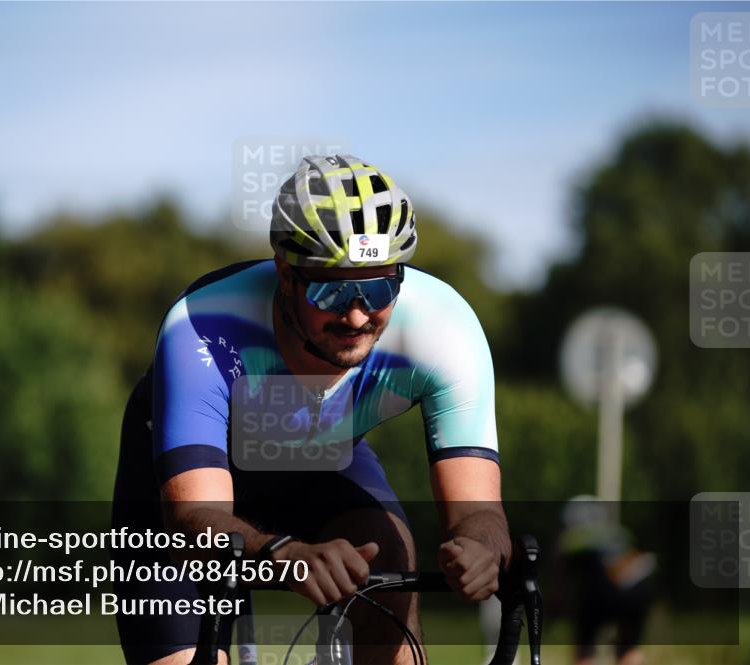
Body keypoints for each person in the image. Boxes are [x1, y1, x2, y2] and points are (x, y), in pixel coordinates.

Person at [111, 155, 510, 665]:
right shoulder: (203, 325)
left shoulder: (445, 330)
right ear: (285, 272)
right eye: (332, 289)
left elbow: (479, 513)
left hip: (319, 454)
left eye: (379, 288)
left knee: (389, 562)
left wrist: (480, 548)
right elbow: (196, 515)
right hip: (187, 496)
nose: (358, 314)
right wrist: (283, 554)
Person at [558, 496, 655, 665]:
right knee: (628, 648)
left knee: (584, 646)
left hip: (599, 593)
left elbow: (563, 577)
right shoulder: (619, 533)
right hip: (636, 592)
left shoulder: (572, 540)